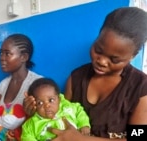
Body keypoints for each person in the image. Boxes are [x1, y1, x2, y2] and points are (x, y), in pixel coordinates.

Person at [23, 7, 147, 141]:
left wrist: (80, 139)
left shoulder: (140, 87)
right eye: (98, 50)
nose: (102, 61)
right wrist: (34, 112)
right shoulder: (76, 78)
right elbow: (58, 116)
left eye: (114, 59)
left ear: (132, 56)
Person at [21, 78, 90, 141]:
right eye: (40, 103)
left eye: (51, 100)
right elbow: (26, 136)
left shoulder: (67, 107)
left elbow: (79, 110)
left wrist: (84, 125)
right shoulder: (31, 125)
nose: (47, 105)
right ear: (34, 105)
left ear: (59, 99)